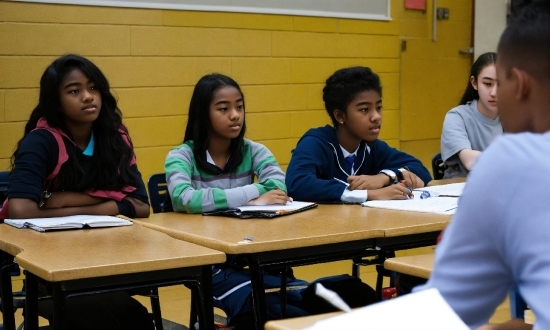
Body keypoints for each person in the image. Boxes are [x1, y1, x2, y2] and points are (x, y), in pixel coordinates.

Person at [165, 73, 378, 328]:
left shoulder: (253, 150)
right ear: (203, 114)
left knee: (353, 293)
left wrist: (248, 197)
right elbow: (183, 198)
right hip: (213, 266)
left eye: (240, 107)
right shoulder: (181, 156)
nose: (235, 115)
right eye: (224, 109)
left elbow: (279, 185)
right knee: (274, 312)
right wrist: (251, 197)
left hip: (261, 258)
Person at [415, 1, 550, 329]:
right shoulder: (459, 117)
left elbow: (444, 312)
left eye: (499, 84)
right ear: (475, 84)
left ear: (519, 84)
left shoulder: (515, 162)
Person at [1, 54, 153, 330]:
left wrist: (62, 201)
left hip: (109, 263)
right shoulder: (41, 141)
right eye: (75, 91)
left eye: (93, 88)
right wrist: (110, 200)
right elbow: (19, 210)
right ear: (55, 100)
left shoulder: (114, 136)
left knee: (135, 320)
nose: (87, 97)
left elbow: (142, 205)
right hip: (49, 271)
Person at [286, 66, 432, 203]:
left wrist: (385, 177)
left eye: (379, 107)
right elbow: (297, 184)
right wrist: (370, 194)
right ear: (340, 116)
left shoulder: (370, 146)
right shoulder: (316, 143)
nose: (376, 116)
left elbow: (421, 170)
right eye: (364, 110)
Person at [441, 52, 503, 178]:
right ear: (474, 83)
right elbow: (470, 161)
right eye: (487, 84)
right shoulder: (457, 116)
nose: (494, 92)